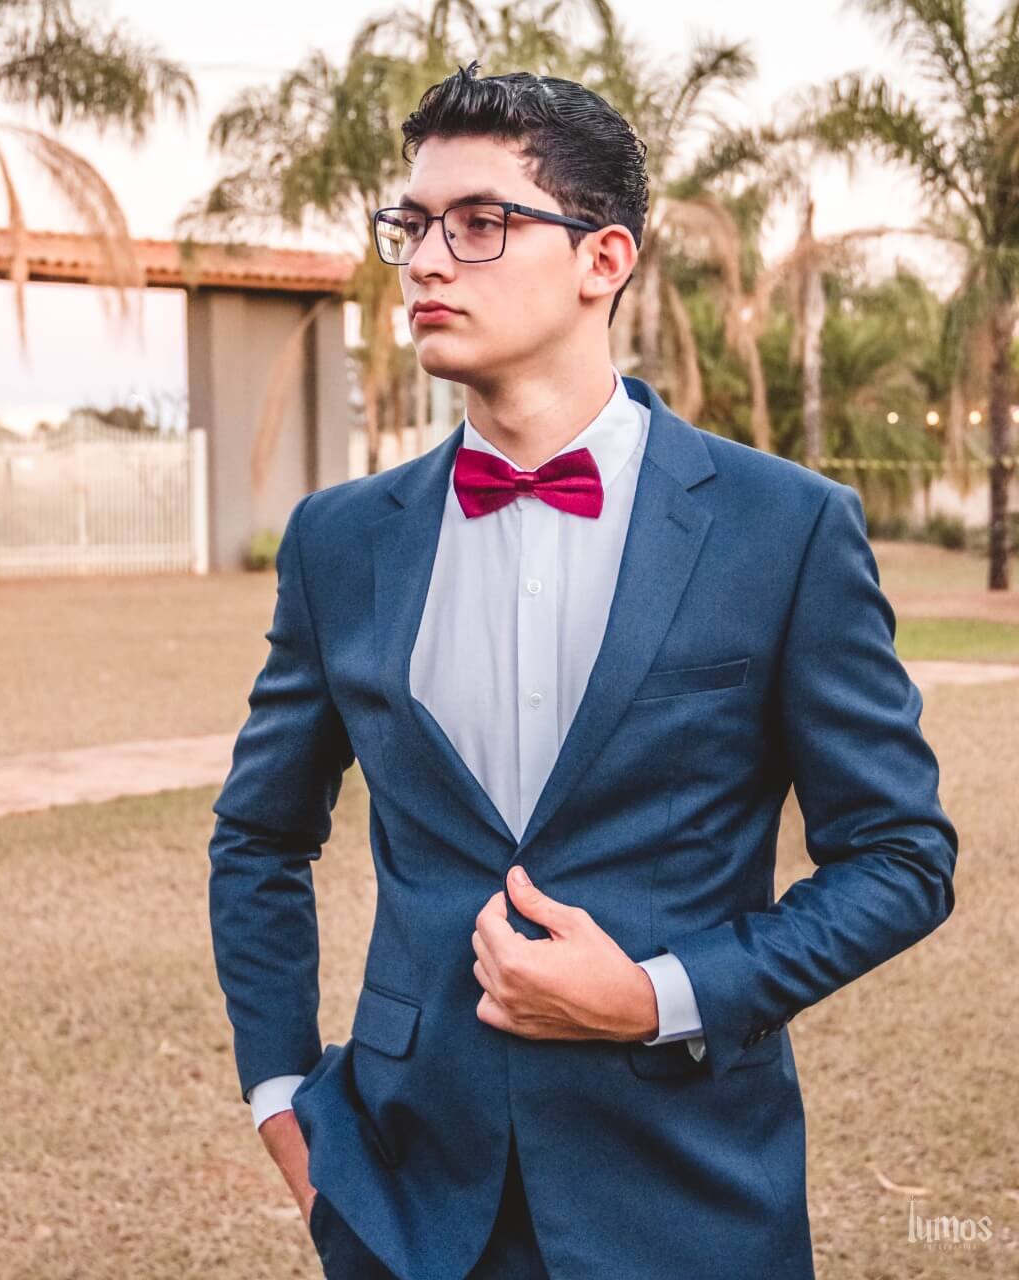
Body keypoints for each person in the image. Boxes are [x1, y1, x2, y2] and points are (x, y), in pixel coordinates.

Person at [207, 61, 958, 1280]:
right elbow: (258, 835)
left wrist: (657, 992)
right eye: (412, 224)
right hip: (403, 1194)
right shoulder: (339, 541)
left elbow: (900, 857)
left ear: (602, 258)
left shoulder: (782, 528)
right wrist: (282, 1097)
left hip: (689, 1189)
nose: (427, 261)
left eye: (479, 222)